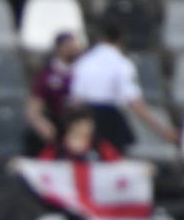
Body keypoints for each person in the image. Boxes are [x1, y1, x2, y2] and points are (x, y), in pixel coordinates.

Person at [69, 19, 177, 155]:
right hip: (110, 120)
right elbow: (135, 104)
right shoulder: (122, 64)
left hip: (85, 118)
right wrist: (163, 131)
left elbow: (75, 98)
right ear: (120, 40)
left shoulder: (83, 62)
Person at [25, 30, 81, 155]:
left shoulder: (83, 70)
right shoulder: (47, 74)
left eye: (74, 45)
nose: (73, 49)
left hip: (80, 119)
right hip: (57, 120)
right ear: (59, 48)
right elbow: (34, 106)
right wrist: (40, 122)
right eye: (69, 46)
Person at [36, 106, 121, 162]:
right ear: (71, 125)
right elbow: (41, 168)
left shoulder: (100, 146)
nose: (88, 128)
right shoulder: (56, 149)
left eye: (90, 124)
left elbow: (117, 165)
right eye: (82, 125)